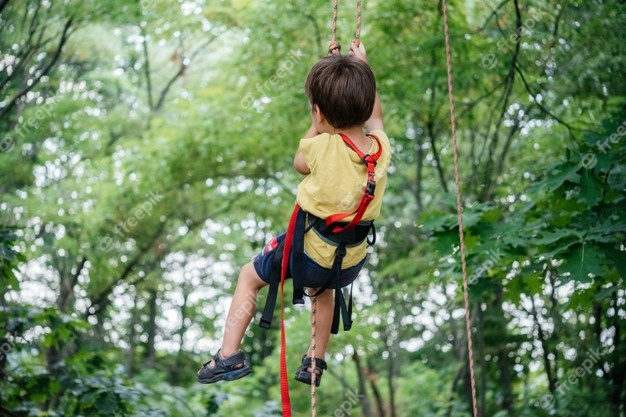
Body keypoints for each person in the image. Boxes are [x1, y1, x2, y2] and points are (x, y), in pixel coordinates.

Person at [196, 40, 391, 386]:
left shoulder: (321, 146)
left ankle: (228, 355)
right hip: (348, 264)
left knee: (248, 276)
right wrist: (362, 66)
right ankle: (315, 360)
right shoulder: (380, 148)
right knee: (324, 289)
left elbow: (299, 163)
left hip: (310, 254)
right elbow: (374, 117)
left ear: (318, 113)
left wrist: (319, 121)